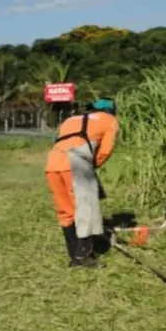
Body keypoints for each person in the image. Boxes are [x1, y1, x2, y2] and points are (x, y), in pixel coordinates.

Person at [45, 98, 119, 268]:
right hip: (76, 163)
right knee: (86, 209)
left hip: (53, 162)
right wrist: (93, 165)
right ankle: (84, 256)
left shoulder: (71, 119)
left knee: (66, 211)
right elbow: (105, 150)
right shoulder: (110, 121)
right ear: (111, 111)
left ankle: (75, 256)